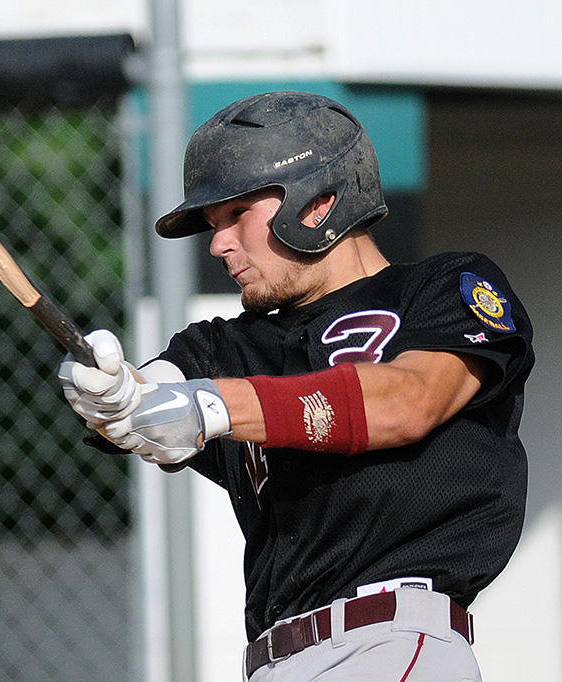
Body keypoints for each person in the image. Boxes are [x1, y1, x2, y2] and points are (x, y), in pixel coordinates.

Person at [58, 91, 534, 681]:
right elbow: (153, 398)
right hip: (273, 661)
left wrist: (217, 405)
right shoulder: (224, 346)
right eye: (213, 225)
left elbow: (411, 401)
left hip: (386, 643)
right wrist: (114, 397)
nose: (218, 243)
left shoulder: (444, 287)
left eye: (236, 215)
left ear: (318, 204)